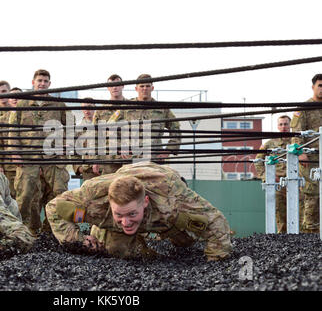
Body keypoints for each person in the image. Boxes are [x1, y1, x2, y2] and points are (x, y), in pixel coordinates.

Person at [45, 161, 233, 261]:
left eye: (131, 214)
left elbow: (216, 221)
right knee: (116, 250)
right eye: (119, 214)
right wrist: (76, 240)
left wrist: (216, 257)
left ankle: (168, 232)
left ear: (145, 202)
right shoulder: (91, 197)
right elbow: (54, 208)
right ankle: (106, 232)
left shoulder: (172, 196)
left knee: (187, 239)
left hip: (162, 187)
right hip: (122, 179)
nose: (126, 221)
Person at [9, 69, 71, 235]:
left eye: (45, 81)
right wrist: (15, 153)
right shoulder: (22, 104)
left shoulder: (58, 105)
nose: (42, 83)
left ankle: (55, 230)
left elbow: (69, 128)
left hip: (54, 157)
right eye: (39, 80)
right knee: (25, 196)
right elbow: (13, 130)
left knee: (60, 193)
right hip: (29, 158)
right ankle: (23, 232)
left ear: (49, 84)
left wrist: (64, 148)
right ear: (33, 82)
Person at [254, 115, 304, 233]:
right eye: (281, 124)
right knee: (280, 216)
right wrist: (267, 176)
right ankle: (281, 241)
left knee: (300, 215)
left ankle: (301, 241)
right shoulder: (270, 144)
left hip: (298, 184)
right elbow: (258, 161)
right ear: (277, 126)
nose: (283, 127)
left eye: (286, 124)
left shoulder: (298, 142)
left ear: (290, 125)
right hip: (278, 184)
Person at [120, 74, 181, 161]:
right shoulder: (126, 107)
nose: (144, 88)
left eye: (147, 86)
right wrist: (121, 146)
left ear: (152, 88)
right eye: (142, 86)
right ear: (136, 88)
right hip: (131, 159)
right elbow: (111, 126)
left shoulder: (162, 108)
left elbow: (176, 129)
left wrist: (168, 150)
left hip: (155, 159)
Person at [290, 73, 322, 233]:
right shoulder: (304, 108)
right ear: (313, 87)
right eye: (320, 86)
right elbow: (296, 131)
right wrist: (301, 151)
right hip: (311, 158)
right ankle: (310, 232)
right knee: (312, 194)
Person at [92, 74, 127, 176]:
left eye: (117, 84)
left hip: (129, 158)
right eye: (111, 85)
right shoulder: (100, 111)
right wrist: (96, 159)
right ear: (108, 88)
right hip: (108, 160)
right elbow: (95, 136)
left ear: (123, 86)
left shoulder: (132, 107)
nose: (115, 87)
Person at [0, 87, 22, 198]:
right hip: (10, 168)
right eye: (12, 97)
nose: (15, 99)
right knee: (10, 199)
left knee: (31, 201)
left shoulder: (30, 118)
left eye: (18, 97)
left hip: (29, 167)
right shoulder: (2, 120)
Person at [72, 98, 99, 181]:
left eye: (90, 107)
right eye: (84, 107)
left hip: (104, 169)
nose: (87, 110)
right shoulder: (78, 130)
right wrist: (79, 168)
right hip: (88, 172)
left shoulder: (103, 126)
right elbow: (74, 153)